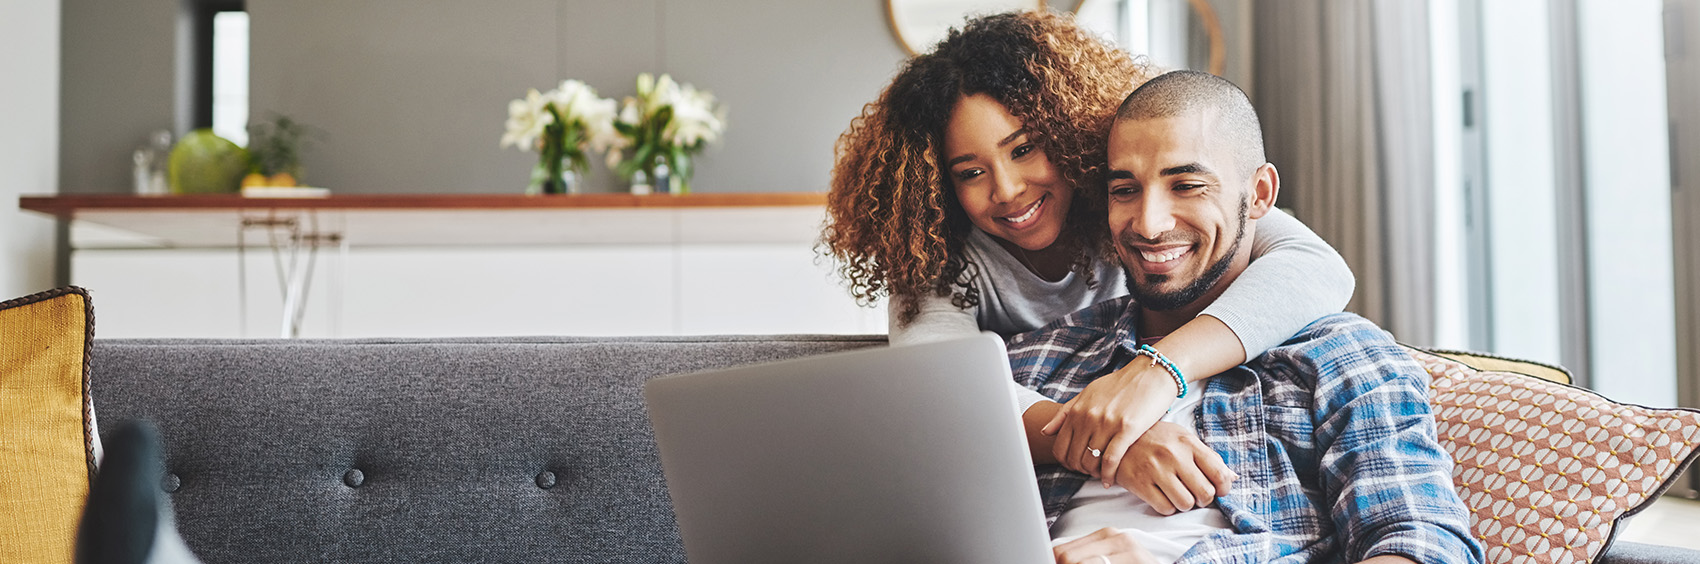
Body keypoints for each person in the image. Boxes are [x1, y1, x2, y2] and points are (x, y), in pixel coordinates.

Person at [821, 10, 1356, 505]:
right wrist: (1107, 443)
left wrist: (1160, 370)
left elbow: (1318, 268)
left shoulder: (1135, 204)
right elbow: (936, 385)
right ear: (937, 185)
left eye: (1024, 148)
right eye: (970, 172)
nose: (1006, 190)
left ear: (1070, 133)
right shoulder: (935, 256)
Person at [1016, 70, 1483, 564]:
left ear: (1259, 194)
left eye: (1187, 185)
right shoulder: (1043, 357)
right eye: (1125, 190)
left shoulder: (1337, 355)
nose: (1150, 224)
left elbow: (1423, 545)